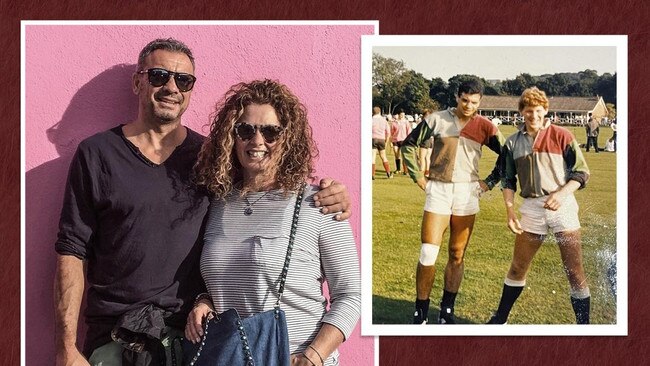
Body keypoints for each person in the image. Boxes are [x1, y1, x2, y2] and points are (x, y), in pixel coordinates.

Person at [53, 38, 351, 366]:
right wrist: (67, 347)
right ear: (138, 81)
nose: (171, 87)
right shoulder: (98, 154)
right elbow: (72, 250)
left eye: (183, 80)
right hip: (117, 338)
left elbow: (349, 293)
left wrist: (336, 195)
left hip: (195, 344)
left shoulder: (207, 161)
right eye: (158, 76)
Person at [186, 79, 360, 365]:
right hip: (232, 358)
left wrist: (313, 356)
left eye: (270, 131)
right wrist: (203, 300)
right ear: (231, 137)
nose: (257, 141)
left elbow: (350, 294)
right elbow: (221, 278)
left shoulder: (318, 203)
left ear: (287, 138)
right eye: (245, 130)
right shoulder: (217, 203)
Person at [400, 79, 504, 324]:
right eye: (465, 100)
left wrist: (489, 182)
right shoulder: (437, 119)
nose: (468, 105)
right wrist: (418, 177)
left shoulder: (485, 126)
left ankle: (446, 312)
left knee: (457, 254)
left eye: (474, 102)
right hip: (438, 189)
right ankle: (421, 313)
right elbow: (408, 145)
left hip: (467, 193)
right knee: (428, 251)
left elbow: (508, 157)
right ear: (458, 97)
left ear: (480, 102)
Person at [487, 87, 591, 324]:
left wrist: (563, 193)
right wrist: (510, 210)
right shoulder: (512, 143)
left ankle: (585, 328)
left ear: (545, 110)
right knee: (517, 267)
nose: (533, 115)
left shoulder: (562, 135)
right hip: (531, 208)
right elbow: (507, 179)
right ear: (521, 112)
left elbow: (582, 172)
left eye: (537, 110)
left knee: (574, 272)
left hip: (562, 206)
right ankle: (499, 320)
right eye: (528, 110)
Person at [372, 106, 393, 179]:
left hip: (373, 138)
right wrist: (386, 141)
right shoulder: (384, 120)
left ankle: (372, 174)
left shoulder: (371, 120)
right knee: (383, 156)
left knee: (372, 157)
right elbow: (388, 132)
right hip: (381, 139)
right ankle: (388, 173)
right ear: (380, 112)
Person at [417, 109, 433, 176]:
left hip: (425, 141)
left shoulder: (424, 122)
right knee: (427, 158)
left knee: (422, 157)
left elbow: (420, 134)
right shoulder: (433, 122)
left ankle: (422, 171)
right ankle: (427, 172)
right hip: (431, 141)